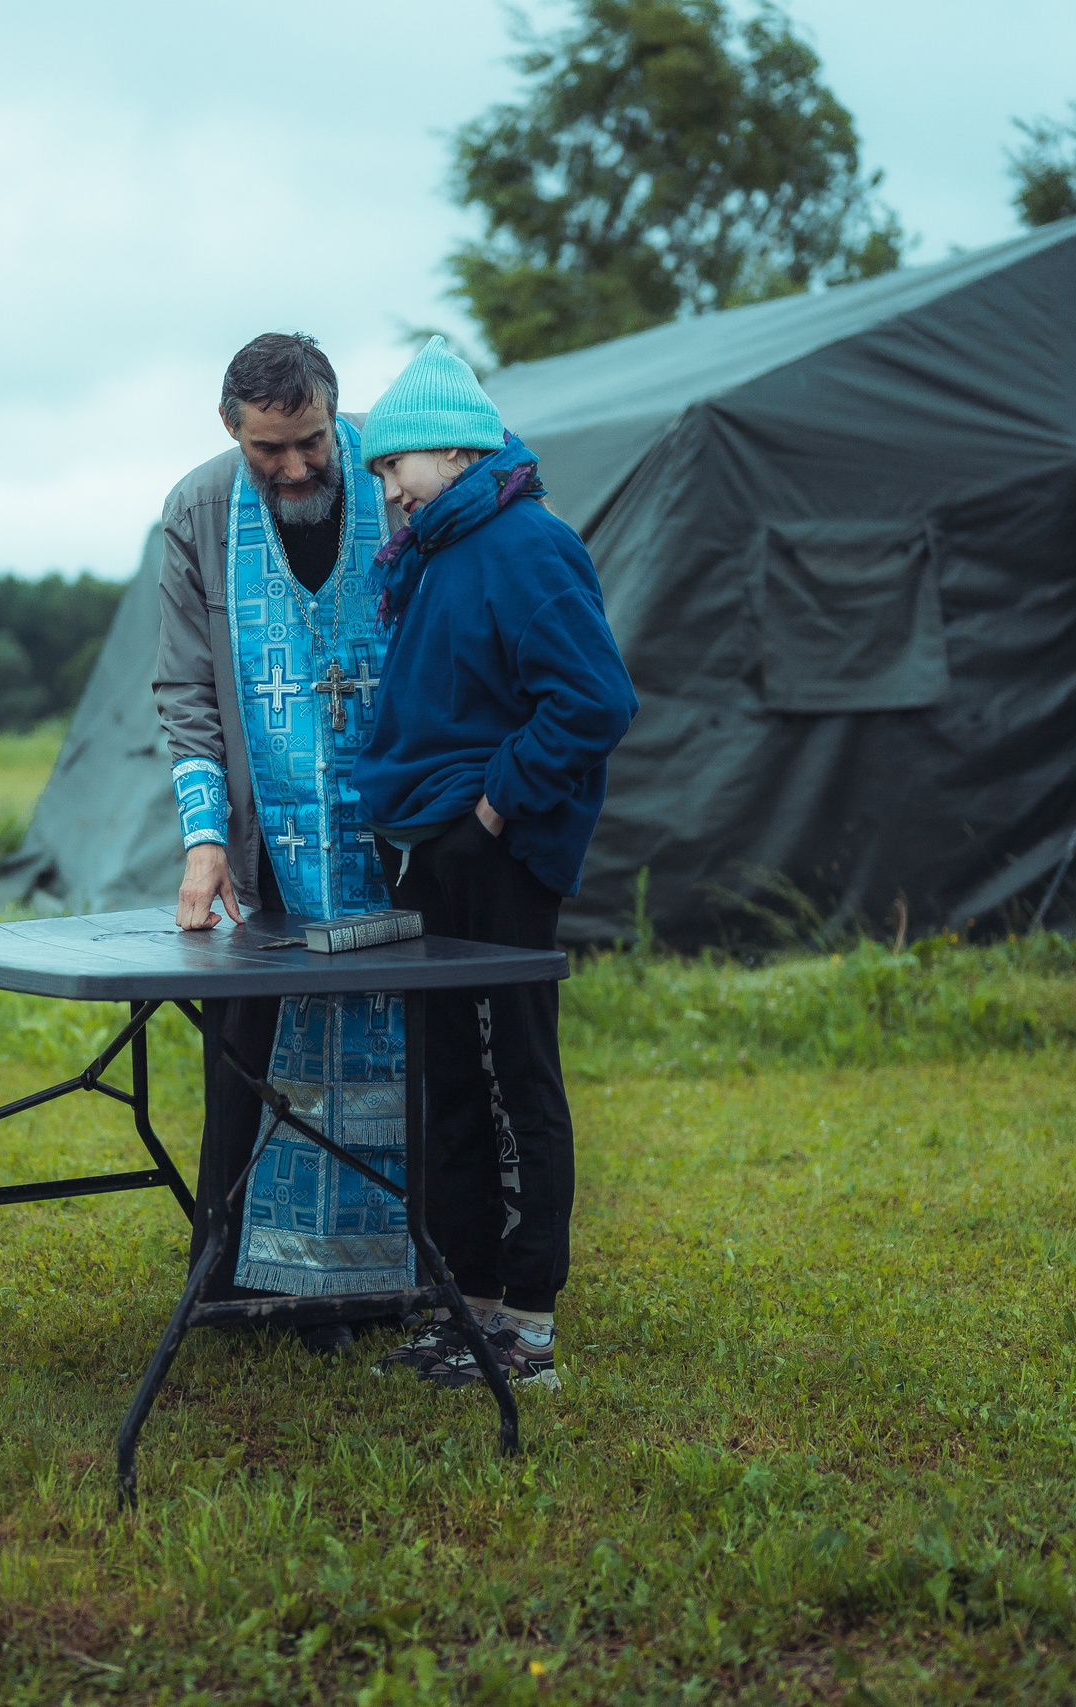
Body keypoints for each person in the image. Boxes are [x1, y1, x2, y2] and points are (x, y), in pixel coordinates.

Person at [348, 336, 637, 1392]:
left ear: (456, 452)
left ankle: (528, 1326)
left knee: (516, 1076)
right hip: (437, 848)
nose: (384, 488)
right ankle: (466, 1308)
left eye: (394, 467)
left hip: (498, 850)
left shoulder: (526, 544)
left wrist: (492, 809)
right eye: (378, 474)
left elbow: (594, 700)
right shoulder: (434, 555)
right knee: (449, 1081)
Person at [153, 332, 408, 1350]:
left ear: (337, 418)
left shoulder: (397, 487)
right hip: (263, 850)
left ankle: (387, 1281)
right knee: (245, 1061)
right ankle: (235, 1284)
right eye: (271, 451)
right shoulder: (197, 511)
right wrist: (204, 838)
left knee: (399, 1060)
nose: (295, 467)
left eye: (310, 443)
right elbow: (184, 690)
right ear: (231, 431)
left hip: (391, 842)